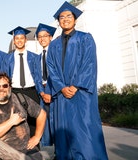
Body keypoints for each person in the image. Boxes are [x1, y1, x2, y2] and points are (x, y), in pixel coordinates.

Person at [46, 1, 108, 159]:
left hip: (81, 95)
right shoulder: (53, 45)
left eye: (68, 16)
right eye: (62, 17)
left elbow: (90, 64)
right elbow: (51, 69)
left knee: (85, 133)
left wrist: (75, 86)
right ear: (58, 22)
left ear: (75, 19)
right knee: (64, 134)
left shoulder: (85, 38)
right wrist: (61, 87)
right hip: (62, 96)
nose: (65, 19)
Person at [0, 73, 46, 160]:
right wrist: (11, 122)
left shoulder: (20, 99)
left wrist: (37, 137)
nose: (1, 89)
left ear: (10, 87)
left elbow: (42, 114)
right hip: (2, 151)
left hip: (24, 151)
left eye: (5, 86)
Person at [6, 26, 42, 139]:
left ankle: (34, 152)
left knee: (32, 123)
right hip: (15, 93)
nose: (19, 40)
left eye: (22, 38)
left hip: (31, 91)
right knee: (17, 124)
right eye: (17, 38)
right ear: (14, 40)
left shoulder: (34, 57)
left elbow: (39, 76)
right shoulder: (8, 58)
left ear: (26, 40)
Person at [35, 23, 57, 147]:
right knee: (46, 124)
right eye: (39, 36)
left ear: (51, 37)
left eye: (45, 36)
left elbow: (55, 75)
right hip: (43, 95)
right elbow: (37, 77)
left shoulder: (56, 55)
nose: (42, 38)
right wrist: (42, 92)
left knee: (57, 124)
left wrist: (48, 91)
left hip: (55, 93)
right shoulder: (37, 58)